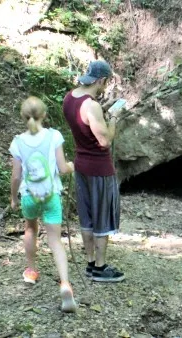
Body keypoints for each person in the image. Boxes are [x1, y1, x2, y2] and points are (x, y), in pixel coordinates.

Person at [9, 96, 78, 313]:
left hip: (29, 195)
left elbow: (16, 175)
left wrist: (13, 197)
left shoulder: (17, 142)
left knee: (30, 229)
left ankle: (31, 271)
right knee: (55, 240)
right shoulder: (54, 136)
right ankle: (65, 284)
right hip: (51, 196)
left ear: (23, 117)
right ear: (45, 115)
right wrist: (71, 166)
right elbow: (62, 168)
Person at [62, 60, 125, 282]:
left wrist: (101, 114)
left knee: (87, 216)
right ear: (100, 80)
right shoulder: (92, 106)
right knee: (102, 217)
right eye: (104, 82)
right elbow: (104, 140)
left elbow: (84, 127)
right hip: (99, 168)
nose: (103, 86)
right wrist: (114, 119)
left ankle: (90, 263)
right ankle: (100, 268)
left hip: (81, 165)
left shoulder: (70, 98)